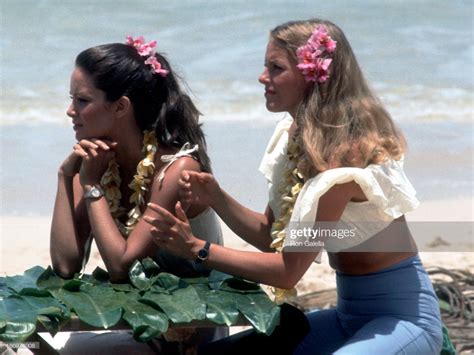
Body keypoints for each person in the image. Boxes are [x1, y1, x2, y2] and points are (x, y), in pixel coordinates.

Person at [144, 19, 444, 354]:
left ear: (313, 75)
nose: (262, 77)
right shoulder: (296, 138)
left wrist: (198, 248)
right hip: (348, 316)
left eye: (276, 68)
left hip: (402, 321)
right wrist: (216, 198)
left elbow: (288, 271)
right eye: (265, 66)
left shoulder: (345, 154)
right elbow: (272, 235)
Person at [50, 36, 225, 352]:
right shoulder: (95, 163)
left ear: (120, 107)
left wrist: (91, 187)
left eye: (82, 100)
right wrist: (65, 177)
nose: (69, 111)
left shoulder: (176, 169)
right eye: (71, 99)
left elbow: (121, 266)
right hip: (134, 318)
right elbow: (65, 265)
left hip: (189, 328)